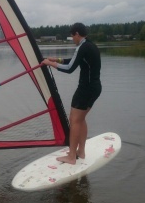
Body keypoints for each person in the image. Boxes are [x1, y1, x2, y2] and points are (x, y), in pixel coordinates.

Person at [42, 23, 101, 165]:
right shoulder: (90, 45)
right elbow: (74, 62)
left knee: (74, 120)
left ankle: (72, 157)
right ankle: (81, 151)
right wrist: (57, 60)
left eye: (72, 36)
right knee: (80, 119)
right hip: (95, 88)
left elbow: (69, 68)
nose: (72, 39)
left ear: (76, 33)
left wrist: (49, 64)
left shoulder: (82, 46)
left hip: (85, 89)